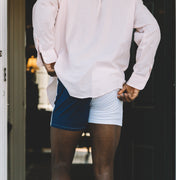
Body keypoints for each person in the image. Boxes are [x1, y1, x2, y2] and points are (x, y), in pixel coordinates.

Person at [32, 0, 161, 179]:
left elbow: (42, 8)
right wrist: (136, 80)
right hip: (109, 86)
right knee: (105, 169)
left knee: (61, 166)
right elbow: (151, 30)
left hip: (72, 80)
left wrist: (48, 55)